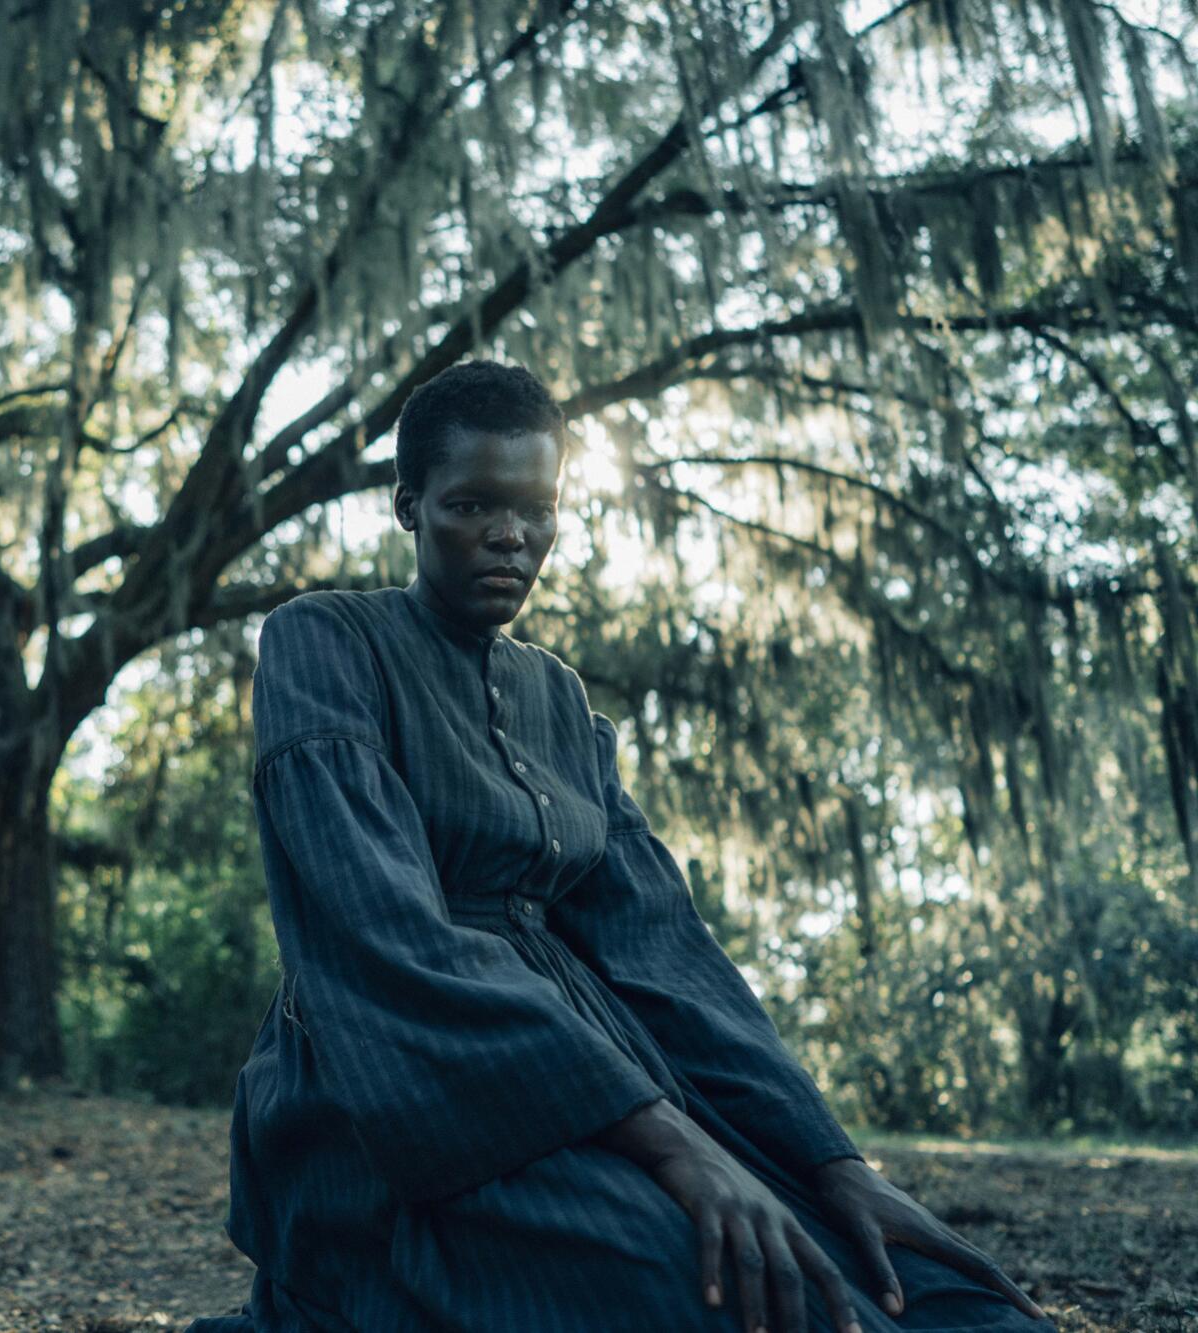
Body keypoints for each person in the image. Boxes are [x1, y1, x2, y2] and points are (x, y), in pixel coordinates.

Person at [187, 361, 1051, 1333]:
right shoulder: (325, 641)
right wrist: (669, 1147)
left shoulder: (560, 702)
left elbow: (665, 957)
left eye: (535, 509)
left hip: (617, 1083)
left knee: (954, 1306)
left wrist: (828, 1163)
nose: (508, 534)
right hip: (399, 1091)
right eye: (471, 503)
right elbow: (379, 933)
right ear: (408, 506)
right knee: (742, 1302)